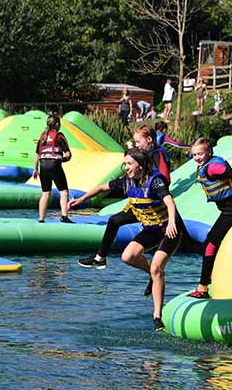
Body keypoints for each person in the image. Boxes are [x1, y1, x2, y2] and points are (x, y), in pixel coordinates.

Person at [72, 147, 183, 331]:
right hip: (151, 229)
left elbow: (170, 201)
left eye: (129, 163)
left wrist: (172, 222)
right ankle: (153, 276)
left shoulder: (155, 182)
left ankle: (157, 316)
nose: (126, 167)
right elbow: (101, 187)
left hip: (169, 230)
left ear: (141, 165)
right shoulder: (126, 182)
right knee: (127, 256)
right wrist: (82, 199)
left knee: (156, 267)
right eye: (125, 163)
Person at [73, 124, 172, 273]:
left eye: (138, 142)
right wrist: (81, 199)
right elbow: (102, 187)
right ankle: (100, 258)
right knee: (114, 220)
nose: (136, 145)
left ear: (149, 140)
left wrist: (154, 187)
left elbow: (165, 178)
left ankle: (155, 272)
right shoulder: (133, 170)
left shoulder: (157, 154)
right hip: (141, 206)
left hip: (155, 207)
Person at [187, 138, 232, 298]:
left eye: (200, 154)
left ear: (209, 153)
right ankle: (212, 277)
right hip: (227, 210)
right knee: (208, 243)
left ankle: (203, 287)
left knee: (210, 245)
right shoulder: (205, 165)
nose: (197, 158)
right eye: (194, 154)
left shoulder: (214, 167)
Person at [32, 115, 74, 223]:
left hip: (43, 166)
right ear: (56, 125)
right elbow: (68, 154)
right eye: (59, 124)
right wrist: (64, 159)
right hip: (54, 164)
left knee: (45, 193)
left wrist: (35, 169)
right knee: (64, 192)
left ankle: (41, 219)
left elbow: (37, 154)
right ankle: (64, 216)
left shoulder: (42, 137)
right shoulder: (59, 136)